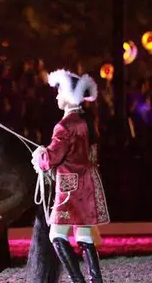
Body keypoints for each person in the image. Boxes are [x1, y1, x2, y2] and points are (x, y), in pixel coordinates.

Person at [31, 69, 110, 283]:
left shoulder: (64, 126)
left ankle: (77, 280)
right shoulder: (88, 123)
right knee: (84, 235)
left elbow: (52, 158)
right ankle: (95, 280)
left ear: (68, 95)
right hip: (87, 184)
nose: (56, 96)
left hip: (69, 187)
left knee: (56, 234)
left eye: (59, 92)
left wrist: (40, 154)